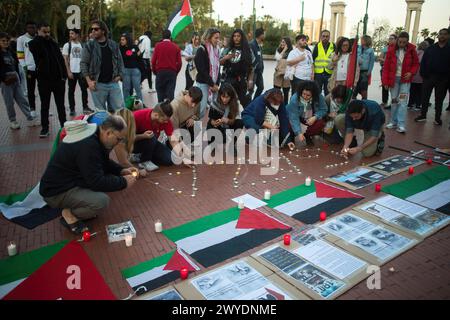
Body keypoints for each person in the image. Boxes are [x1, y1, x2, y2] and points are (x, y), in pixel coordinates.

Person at [39, 116, 137, 234]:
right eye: (118, 139)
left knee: (104, 189)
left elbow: (102, 161)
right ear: (108, 133)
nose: (118, 143)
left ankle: (75, 205)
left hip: (70, 181)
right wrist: (123, 183)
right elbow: (96, 181)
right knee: (101, 201)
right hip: (56, 192)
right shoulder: (88, 145)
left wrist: (120, 171)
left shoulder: (95, 135)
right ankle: (69, 215)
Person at [29, 22, 67, 138]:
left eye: (48, 32)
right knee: (45, 105)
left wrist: (64, 76)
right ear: (38, 31)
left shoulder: (53, 43)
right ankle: (45, 128)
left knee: (61, 105)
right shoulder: (34, 43)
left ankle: (64, 126)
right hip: (44, 81)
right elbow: (35, 49)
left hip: (58, 81)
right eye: (44, 31)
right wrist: (40, 37)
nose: (47, 34)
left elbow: (60, 59)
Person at [81, 20, 124, 112]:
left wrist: (120, 75)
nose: (93, 31)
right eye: (91, 29)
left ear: (103, 31)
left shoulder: (113, 45)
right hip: (97, 84)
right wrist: (89, 81)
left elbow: (120, 61)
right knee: (101, 113)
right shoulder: (89, 46)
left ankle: (119, 126)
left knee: (119, 111)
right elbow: (83, 63)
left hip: (113, 83)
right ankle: (105, 127)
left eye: (96, 29)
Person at [382, 31, 419, 134]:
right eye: (400, 42)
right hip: (394, 81)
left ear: (407, 42)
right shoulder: (391, 51)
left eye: (404, 42)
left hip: (405, 81)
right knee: (394, 102)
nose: (402, 44)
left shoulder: (412, 50)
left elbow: (416, 64)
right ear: (397, 40)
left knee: (402, 102)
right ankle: (393, 122)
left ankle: (401, 124)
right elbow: (386, 68)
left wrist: (411, 73)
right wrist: (385, 82)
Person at [133, 100, 188, 168]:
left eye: (167, 120)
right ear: (156, 115)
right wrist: (143, 136)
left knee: (169, 160)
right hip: (133, 143)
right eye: (164, 120)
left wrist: (183, 158)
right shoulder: (137, 116)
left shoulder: (166, 120)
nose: (166, 122)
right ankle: (144, 161)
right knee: (152, 137)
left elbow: (173, 140)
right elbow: (126, 138)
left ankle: (142, 155)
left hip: (152, 142)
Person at [0, 32, 37, 130]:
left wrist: (18, 77)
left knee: (22, 99)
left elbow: (15, 65)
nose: (6, 42)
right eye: (3, 41)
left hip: (15, 77)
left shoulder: (10, 52)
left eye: (7, 40)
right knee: (9, 102)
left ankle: (30, 118)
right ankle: (13, 121)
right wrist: (3, 78)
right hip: (6, 80)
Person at [415, 28, 450, 126]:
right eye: (440, 34)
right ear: (438, 36)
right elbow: (424, 62)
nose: (442, 36)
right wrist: (423, 74)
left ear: (448, 36)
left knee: (439, 99)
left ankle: (437, 118)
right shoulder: (430, 49)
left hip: (443, 79)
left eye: (444, 34)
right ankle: (423, 115)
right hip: (429, 77)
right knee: (425, 97)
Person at [286, 80, 328, 147]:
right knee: (288, 122)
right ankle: (292, 135)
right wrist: (299, 133)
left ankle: (307, 136)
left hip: (310, 119)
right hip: (298, 119)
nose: (305, 97)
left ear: (313, 94)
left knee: (320, 123)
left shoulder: (319, 97)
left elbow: (324, 109)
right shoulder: (294, 99)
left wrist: (315, 117)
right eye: (303, 94)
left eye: (308, 95)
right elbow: (294, 118)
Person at [221, 29, 254, 108]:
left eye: (238, 36)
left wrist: (250, 80)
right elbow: (220, 63)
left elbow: (251, 67)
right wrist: (226, 58)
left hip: (241, 79)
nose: (236, 38)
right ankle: (227, 118)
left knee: (244, 101)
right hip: (228, 79)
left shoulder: (247, 50)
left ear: (242, 37)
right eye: (234, 36)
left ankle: (247, 118)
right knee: (227, 101)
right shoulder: (228, 49)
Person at [63, 28, 91, 116]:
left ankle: (85, 107)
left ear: (77, 35)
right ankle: (72, 109)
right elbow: (65, 59)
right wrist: (68, 71)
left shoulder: (82, 45)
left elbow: (86, 59)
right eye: (70, 33)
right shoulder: (67, 45)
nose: (70, 35)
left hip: (81, 72)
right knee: (71, 91)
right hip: (72, 71)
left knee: (84, 90)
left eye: (72, 33)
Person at [113, 108, 148, 177]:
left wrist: (143, 136)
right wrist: (138, 171)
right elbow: (123, 163)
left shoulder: (116, 133)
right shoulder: (119, 140)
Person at [194, 28, 221, 119]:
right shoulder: (201, 50)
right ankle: (196, 131)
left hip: (213, 84)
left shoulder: (217, 50)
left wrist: (216, 84)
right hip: (203, 83)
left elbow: (218, 68)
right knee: (201, 110)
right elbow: (202, 71)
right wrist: (212, 84)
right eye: (215, 38)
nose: (218, 40)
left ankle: (212, 130)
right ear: (209, 38)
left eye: (218, 38)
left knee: (216, 109)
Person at [151, 29, 182, 102]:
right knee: (170, 94)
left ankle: (160, 109)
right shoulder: (176, 47)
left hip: (160, 72)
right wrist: (175, 72)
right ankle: (170, 111)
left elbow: (153, 61)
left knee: (160, 92)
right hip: (171, 72)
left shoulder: (158, 46)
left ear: (162, 36)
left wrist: (155, 71)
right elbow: (180, 63)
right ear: (170, 36)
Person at [16, 21, 37, 117]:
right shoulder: (21, 39)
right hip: (29, 68)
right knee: (30, 89)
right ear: (26, 28)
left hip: (40, 68)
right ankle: (32, 108)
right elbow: (20, 55)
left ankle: (44, 109)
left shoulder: (38, 38)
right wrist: (25, 68)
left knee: (43, 90)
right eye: (29, 27)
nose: (31, 29)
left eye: (33, 27)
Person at [119, 33, 143, 102]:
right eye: (121, 40)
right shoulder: (120, 48)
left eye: (123, 40)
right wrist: (135, 55)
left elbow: (140, 57)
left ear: (127, 40)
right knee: (126, 89)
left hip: (135, 71)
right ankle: (127, 105)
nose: (121, 41)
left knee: (137, 88)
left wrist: (133, 55)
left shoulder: (135, 47)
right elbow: (123, 58)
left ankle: (140, 104)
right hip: (125, 71)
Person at [407, 41, 429, 111]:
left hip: (413, 75)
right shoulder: (425, 53)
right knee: (419, 92)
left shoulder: (415, 52)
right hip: (421, 76)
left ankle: (410, 104)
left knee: (412, 91)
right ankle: (417, 105)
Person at [312, 30, 334, 96]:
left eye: (327, 36)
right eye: (323, 36)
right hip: (318, 74)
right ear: (321, 37)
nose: (325, 38)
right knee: (317, 92)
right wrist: (312, 73)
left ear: (329, 37)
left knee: (328, 92)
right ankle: (317, 105)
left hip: (329, 73)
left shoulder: (333, 46)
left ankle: (326, 105)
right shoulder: (317, 46)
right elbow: (312, 61)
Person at [378, 34, 397, 109]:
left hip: (393, 71)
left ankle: (393, 102)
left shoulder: (397, 49)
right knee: (384, 86)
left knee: (393, 87)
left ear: (396, 40)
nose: (390, 40)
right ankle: (384, 101)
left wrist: (384, 61)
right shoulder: (385, 48)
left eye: (392, 38)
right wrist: (385, 61)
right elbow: (380, 58)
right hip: (384, 69)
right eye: (389, 38)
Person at [353, 35, 375, 100]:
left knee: (364, 89)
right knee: (355, 87)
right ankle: (354, 101)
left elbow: (372, 62)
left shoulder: (370, 51)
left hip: (365, 72)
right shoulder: (358, 48)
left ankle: (364, 102)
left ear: (366, 41)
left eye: (362, 39)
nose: (361, 41)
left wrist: (369, 72)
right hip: (357, 71)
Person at [273, 37, 293, 106]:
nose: (282, 43)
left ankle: (285, 107)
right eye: (281, 42)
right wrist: (284, 50)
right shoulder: (278, 50)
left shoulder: (291, 52)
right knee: (276, 91)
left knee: (286, 92)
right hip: (278, 73)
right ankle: (275, 106)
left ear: (288, 43)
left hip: (287, 74)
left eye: (284, 42)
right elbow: (277, 58)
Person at [250, 28, 265, 99]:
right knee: (250, 90)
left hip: (259, 72)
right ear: (260, 35)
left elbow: (260, 58)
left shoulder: (259, 45)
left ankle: (254, 102)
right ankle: (249, 106)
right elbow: (251, 59)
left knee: (261, 87)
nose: (264, 35)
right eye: (263, 34)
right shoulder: (252, 44)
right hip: (253, 72)